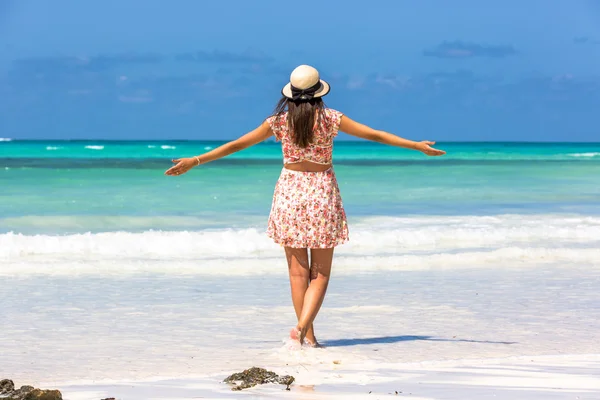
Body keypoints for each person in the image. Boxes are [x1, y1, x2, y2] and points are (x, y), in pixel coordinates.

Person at [165, 65, 446, 347]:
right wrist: (416, 146)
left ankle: (307, 337)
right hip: (322, 192)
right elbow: (375, 135)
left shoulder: (278, 122)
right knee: (320, 273)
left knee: (298, 272)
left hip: (290, 192)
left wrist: (195, 161)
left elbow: (237, 145)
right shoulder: (332, 119)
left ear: (290, 95)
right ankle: (303, 330)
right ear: (319, 93)